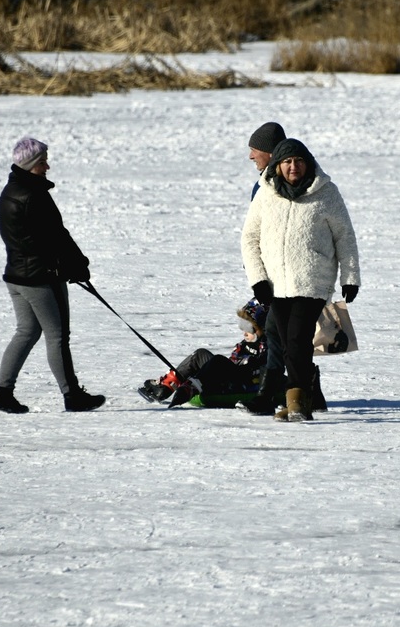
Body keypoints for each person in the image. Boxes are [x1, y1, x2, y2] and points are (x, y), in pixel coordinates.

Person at [241, 138, 360, 421]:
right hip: (276, 283)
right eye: (287, 162)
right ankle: (301, 401)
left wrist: (350, 277)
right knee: (288, 344)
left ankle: (295, 402)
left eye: (299, 161)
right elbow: (249, 238)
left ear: (308, 163)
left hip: (312, 280)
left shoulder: (326, 192)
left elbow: (344, 236)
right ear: (277, 166)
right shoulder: (266, 194)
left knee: (296, 340)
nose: (293, 166)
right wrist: (258, 280)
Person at [0, 137, 105, 413]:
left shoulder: (10, 191)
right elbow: (56, 237)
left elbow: (38, 239)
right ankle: (72, 395)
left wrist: (70, 265)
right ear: (29, 165)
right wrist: (76, 265)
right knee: (58, 336)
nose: (47, 167)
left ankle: (2, 393)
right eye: (42, 162)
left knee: (27, 332)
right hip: (40, 278)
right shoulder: (34, 196)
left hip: (16, 276)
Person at [238, 122, 295, 415]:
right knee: (281, 335)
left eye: (255, 150)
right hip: (269, 274)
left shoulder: (285, 186)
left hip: (288, 275)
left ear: (270, 153)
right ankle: (301, 392)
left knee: (282, 335)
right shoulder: (262, 184)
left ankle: (272, 394)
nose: (251, 156)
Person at [138, 299, 270, 408]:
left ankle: (192, 387)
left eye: (248, 327)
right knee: (200, 354)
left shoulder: (268, 346)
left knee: (218, 360)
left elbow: (263, 370)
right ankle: (165, 387)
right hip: (230, 376)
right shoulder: (246, 343)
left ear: (263, 326)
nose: (244, 332)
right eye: (242, 325)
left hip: (242, 383)